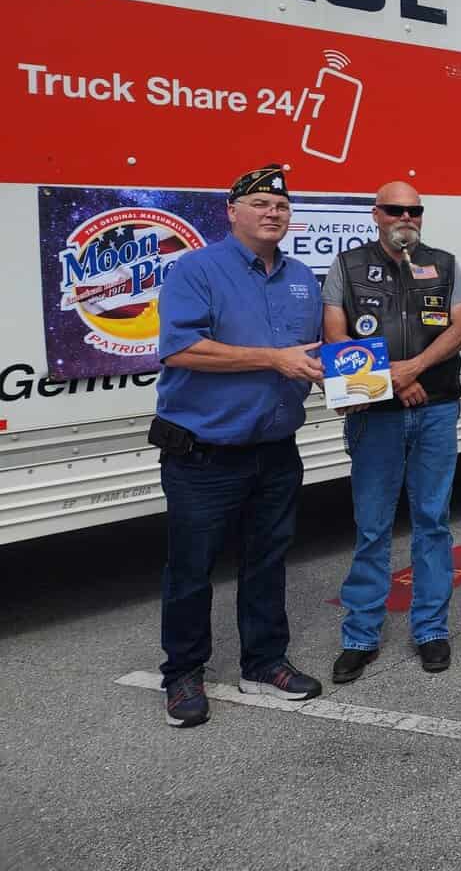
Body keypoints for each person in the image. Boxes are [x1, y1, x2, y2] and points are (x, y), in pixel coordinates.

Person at [151, 164, 325, 727]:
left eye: (280, 205)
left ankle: (264, 663)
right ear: (232, 212)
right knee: (191, 569)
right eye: (258, 204)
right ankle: (182, 674)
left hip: (275, 448)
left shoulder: (301, 276)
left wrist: (342, 371)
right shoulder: (197, 269)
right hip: (204, 454)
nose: (272, 213)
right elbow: (181, 349)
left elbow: (307, 350)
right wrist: (274, 359)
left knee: (267, 562)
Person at [323, 182, 461, 681]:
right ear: (376, 214)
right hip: (377, 414)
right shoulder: (346, 266)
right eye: (395, 209)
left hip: (436, 410)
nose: (405, 216)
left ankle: (431, 630)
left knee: (433, 521)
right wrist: (392, 380)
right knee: (372, 527)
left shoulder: (444, 264)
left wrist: (416, 367)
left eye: (414, 210)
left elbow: (460, 329)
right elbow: (335, 336)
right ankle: (361, 636)